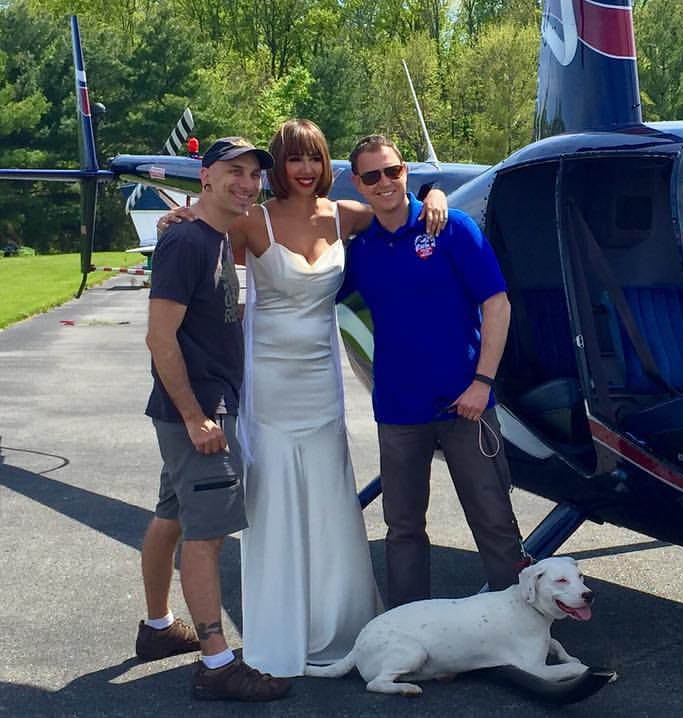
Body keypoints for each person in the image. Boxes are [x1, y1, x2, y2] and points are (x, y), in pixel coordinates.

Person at [157, 119, 449, 678]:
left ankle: (340, 622)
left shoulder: (345, 215)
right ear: (278, 166)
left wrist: (432, 192)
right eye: (294, 160)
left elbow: (398, 208)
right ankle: (281, 625)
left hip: (322, 382)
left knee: (328, 495)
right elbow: (202, 230)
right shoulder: (253, 221)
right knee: (274, 499)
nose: (306, 170)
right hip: (268, 380)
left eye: (314, 158)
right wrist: (181, 214)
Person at [338, 134, 525, 609]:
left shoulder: (452, 228)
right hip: (399, 411)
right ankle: (407, 631)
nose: (384, 182)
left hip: (468, 405)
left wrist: (482, 384)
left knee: (495, 521)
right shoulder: (361, 251)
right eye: (372, 176)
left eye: (392, 171)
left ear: (406, 172)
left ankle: (521, 632)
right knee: (402, 529)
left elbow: (498, 305)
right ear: (358, 184)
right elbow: (300, 270)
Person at [137, 136, 291, 701]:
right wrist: (199, 417)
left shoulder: (214, 236)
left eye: (254, 175)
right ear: (204, 176)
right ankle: (218, 664)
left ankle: (157, 629)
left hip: (194, 411)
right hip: (198, 414)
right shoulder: (187, 243)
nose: (247, 183)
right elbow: (160, 336)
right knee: (207, 536)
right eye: (234, 172)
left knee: (173, 515)